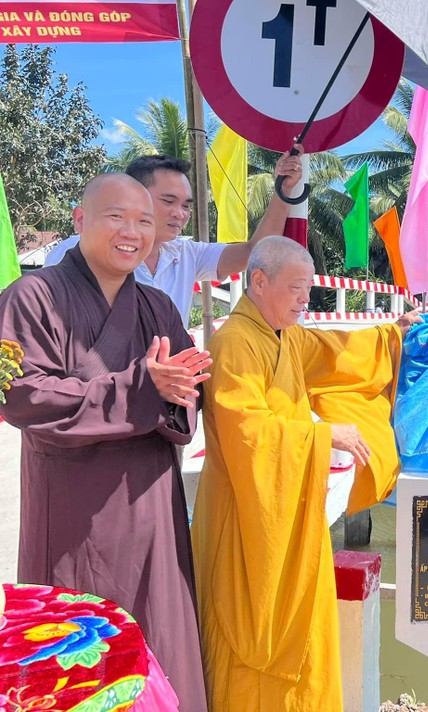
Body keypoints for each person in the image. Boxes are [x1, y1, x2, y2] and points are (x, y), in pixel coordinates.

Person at [0, 173, 213, 710]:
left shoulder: (158, 307)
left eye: (144, 221)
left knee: (158, 629)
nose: (132, 232)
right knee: (77, 643)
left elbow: (188, 389)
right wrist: (141, 388)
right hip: (75, 505)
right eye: (116, 216)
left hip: (150, 500)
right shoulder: (32, 297)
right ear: (80, 219)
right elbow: (21, 395)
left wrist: (178, 391)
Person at [191, 236, 420, 710]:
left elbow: (335, 351)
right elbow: (247, 433)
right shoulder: (234, 343)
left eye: (309, 289)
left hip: (286, 507)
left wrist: (390, 335)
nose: (305, 298)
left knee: (304, 635)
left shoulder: (284, 334)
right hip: (244, 517)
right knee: (250, 638)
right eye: (296, 287)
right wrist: (322, 436)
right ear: (258, 281)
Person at [45, 147, 305, 326]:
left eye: (186, 205)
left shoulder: (185, 253)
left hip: (168, 386)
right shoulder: (76, 252)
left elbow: (253, 252)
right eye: (168, 201)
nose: (180, 214)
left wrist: (282, 191)